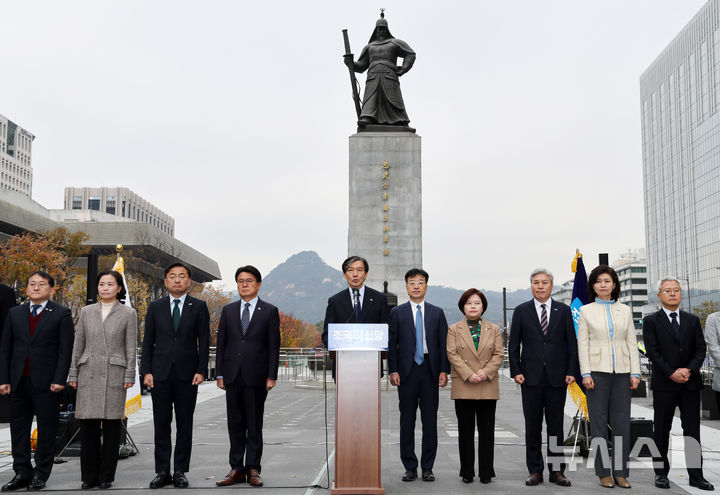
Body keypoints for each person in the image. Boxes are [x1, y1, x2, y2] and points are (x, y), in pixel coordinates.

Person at [0, 272, 73, 491]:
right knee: (18, 429)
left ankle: (41, 473)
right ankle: (21, 471)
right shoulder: (15, 313)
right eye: (32, 284)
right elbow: (5, 349)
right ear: (26, 289)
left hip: (48, 382)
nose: (36, 287)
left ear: (51, 289)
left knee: (47, 428)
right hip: (18, 380)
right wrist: (3, 379)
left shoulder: (61, 313)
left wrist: (60, 379)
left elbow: (65, 350)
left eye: (42, 284)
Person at [141, 263, 210, 489]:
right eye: (173, 277)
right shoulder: (155, 307)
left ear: (189, 281)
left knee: (184, 423)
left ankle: (180, 470)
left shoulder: (199, 307)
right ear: (166, 281)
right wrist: (147, 371)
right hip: (160, 374)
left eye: (182, 277)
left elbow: (204, 341)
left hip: (188, 374)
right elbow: (148, 341)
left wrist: (201, 370)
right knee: (161, 424)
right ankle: (162, 471)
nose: (177, 280)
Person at [508, 268, 578, 487]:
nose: (540, 286)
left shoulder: (563, 310)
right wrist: (516, 371)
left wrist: (571, 371)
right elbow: (513, 345)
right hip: (530, 378)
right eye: (536, 282)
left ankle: (557, 472)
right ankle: (535, 470)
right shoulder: (521, 310)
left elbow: (572, 346)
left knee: (556, 426)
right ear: (531, 285)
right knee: (533, 427)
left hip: (558, 378)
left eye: (544, 282)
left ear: (552, 286)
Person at [68, 270, 137, 490]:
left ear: (119, 288)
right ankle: (88, 477)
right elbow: (78, 344)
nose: (105, 288)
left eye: (110, 284)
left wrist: (129, 375)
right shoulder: (87, 311)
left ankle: (106, 476)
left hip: (114, 372)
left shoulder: (128, 313)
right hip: (88, 370)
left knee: (111, 427)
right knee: (87, 427)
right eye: (101, 284)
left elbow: (130, 347)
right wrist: (73, 373)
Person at [644, 277, 713, 491]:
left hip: (689, 384)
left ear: (680, 293)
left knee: (692, 430)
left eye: (676, 290)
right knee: (661, 430)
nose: (673, 293)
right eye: (668, 290)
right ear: (660, 295)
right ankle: (661, 474)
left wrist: (688, 370)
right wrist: (671, 372)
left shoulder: (692, 320)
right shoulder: (651, 321)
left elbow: (701, 349)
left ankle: (696, 476)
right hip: (664, 384)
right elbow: (652, 351)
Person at [215, 266, 280, 488]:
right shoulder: (228, 310)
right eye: (241, 281)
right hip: (232, 375)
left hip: (257, 376)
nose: (244, 284)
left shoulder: (269, 311)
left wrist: (272, 375)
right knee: (235, 423)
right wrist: (220, 374)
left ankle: (253, 468)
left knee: (254, 423)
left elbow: (274, 346)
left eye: (249, 281)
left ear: (258, 284)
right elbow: (221, 344)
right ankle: (236, 469)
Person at [577, 265, 641, 489]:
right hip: (596, 373)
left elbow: (631, 342)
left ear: (614, 284)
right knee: (599, 425)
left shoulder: (624, 310)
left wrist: (635, 372)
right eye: (599, 281)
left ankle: (621, 473)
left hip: (623, 373)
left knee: (623, 424)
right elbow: (582, 345)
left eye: (607, 281)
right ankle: (604, 472)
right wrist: (585, 373)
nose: (603, 285)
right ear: (593, 286)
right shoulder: (586, 311)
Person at [388, 268, 449, 482]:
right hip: (407, 372)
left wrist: (444, 370)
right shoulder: (397, 313)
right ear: (406, 286)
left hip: (430, 370)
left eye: (420, 282)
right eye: (412, 282)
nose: (416, 286)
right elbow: (392, 345)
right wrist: (393, 370)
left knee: (430, 420)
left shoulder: (437, 312)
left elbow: (443, 344)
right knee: (407, 420)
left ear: (426, 286)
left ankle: (427, 467)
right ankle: (410, 466)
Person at [446, 288, 503, 484]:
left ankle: (486, 472)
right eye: (469, 303)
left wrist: (484, 373)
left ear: (483, 307)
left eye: (477, 303)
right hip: (464, 384)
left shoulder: (494, 329)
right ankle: (467, 472)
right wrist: (468, 374)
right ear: (463, 306)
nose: (473, 306)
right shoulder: (454, 329)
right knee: (465, 431)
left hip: (487, 384)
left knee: (487, 431)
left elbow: (498, 354)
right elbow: (452, 354)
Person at [321, 256, 390, 376]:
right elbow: (327, 333)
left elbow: (387, 329)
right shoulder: (335, 301)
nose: (355, 274)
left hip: (371, 365)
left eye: (359, 270)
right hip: (343, 366)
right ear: (344, 275)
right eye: (350, 270)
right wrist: (336, 346)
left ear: (366, 274)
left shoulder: (380, 299)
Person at [344, 13, 416, 127]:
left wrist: (404, 68)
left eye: (383, 29)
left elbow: (410, 54)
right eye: (379, 29)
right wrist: (351, 63)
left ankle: (399, 120)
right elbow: (361, 65)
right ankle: (368, 117)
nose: (381, 31)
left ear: (387, 30)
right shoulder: (369, 47)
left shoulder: (395, 43)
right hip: (373, 76)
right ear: (375, 30)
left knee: (394, 99)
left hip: (389, 75)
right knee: (371, 98)